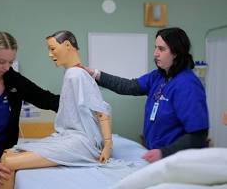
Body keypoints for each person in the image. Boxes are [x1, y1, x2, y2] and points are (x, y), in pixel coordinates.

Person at [0, 30, 113, 189]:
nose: (50, 54)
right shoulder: (71, 74)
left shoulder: (76, 75)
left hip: (81, 143)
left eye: (52, 49)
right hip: (71, 137)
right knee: (7, 155)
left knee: (7, 162)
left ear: (67, 45)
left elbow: (102, 111)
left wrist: (108, 145)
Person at [83, 27, 209, 163]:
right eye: (155, 48)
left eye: (161, 49)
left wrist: (164, 153)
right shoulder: (158, 76)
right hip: (154, 155)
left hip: (175, 160)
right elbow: (128, 86)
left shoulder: (188, 85)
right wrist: (94, 74)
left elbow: (198, 135)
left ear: (176, 53)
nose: (155, 53)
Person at [0, 31, 60, 189]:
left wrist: (79, 99)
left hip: (5, 158)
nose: (7, 67)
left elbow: (46, 99)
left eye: (11, 62)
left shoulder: (13, 80)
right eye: (1, 61)